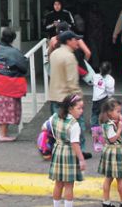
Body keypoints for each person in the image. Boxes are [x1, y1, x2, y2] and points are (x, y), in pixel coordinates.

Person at [48, 30, 91, 159]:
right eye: (75, 39)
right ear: (68, 41)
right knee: (77, 126)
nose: (77, 42)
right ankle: (80, 151)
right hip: (67, 98)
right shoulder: (69, 57)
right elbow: (72, 81)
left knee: (58, 127)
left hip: (54, 95)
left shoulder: (54, 54)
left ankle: (59, 150)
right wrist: (78, 98)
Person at [43, 94, 87, 207]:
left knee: (58, 184)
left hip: (57, 150)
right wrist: (81, 159)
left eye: (82, 108)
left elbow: (44, 127)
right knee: (69, 185)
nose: (81, 111)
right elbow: (75, 144)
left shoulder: (55, 117)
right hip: (69, 154)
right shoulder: (74, 124)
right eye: (79, 108)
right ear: (70, 108)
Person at [0, 28, 28, 142]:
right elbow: (23, 68)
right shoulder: (14, 52)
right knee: (8, 110)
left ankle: (2, 133)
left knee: (0, 109)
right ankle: (3, 135)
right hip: (10, 85)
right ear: (13, 39)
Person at [98, 98, 122, 207]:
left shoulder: (106, 123)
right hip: (115, 151)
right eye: (118, 111)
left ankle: (106, 202)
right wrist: (120, 128)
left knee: (108, 178)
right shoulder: (110, 125)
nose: (119, 114)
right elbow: (112, 139)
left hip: (108, 150)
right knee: (120, 178)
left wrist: (119, 120)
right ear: (110, 113)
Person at [91, 61, 115, 127]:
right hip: (104, 98)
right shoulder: (110, 79)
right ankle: (106, 127)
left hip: (95, 99)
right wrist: (109, 97)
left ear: (100, 69)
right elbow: (110, 91)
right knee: (105, 113)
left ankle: (94, 128)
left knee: (94, 113)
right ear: (110, 71)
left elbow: (92, 82)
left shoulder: (95, 76)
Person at [84, 3, 105, 70]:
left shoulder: (100, 15)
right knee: (94, 51)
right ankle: (96, 66)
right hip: (92, 35)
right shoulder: (89, 14)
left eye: (96, 6)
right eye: (93, 7)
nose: (94, 8)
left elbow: (102, 24)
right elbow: (88, 24)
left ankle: (98, 65)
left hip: (99, 35)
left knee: (99, 50)